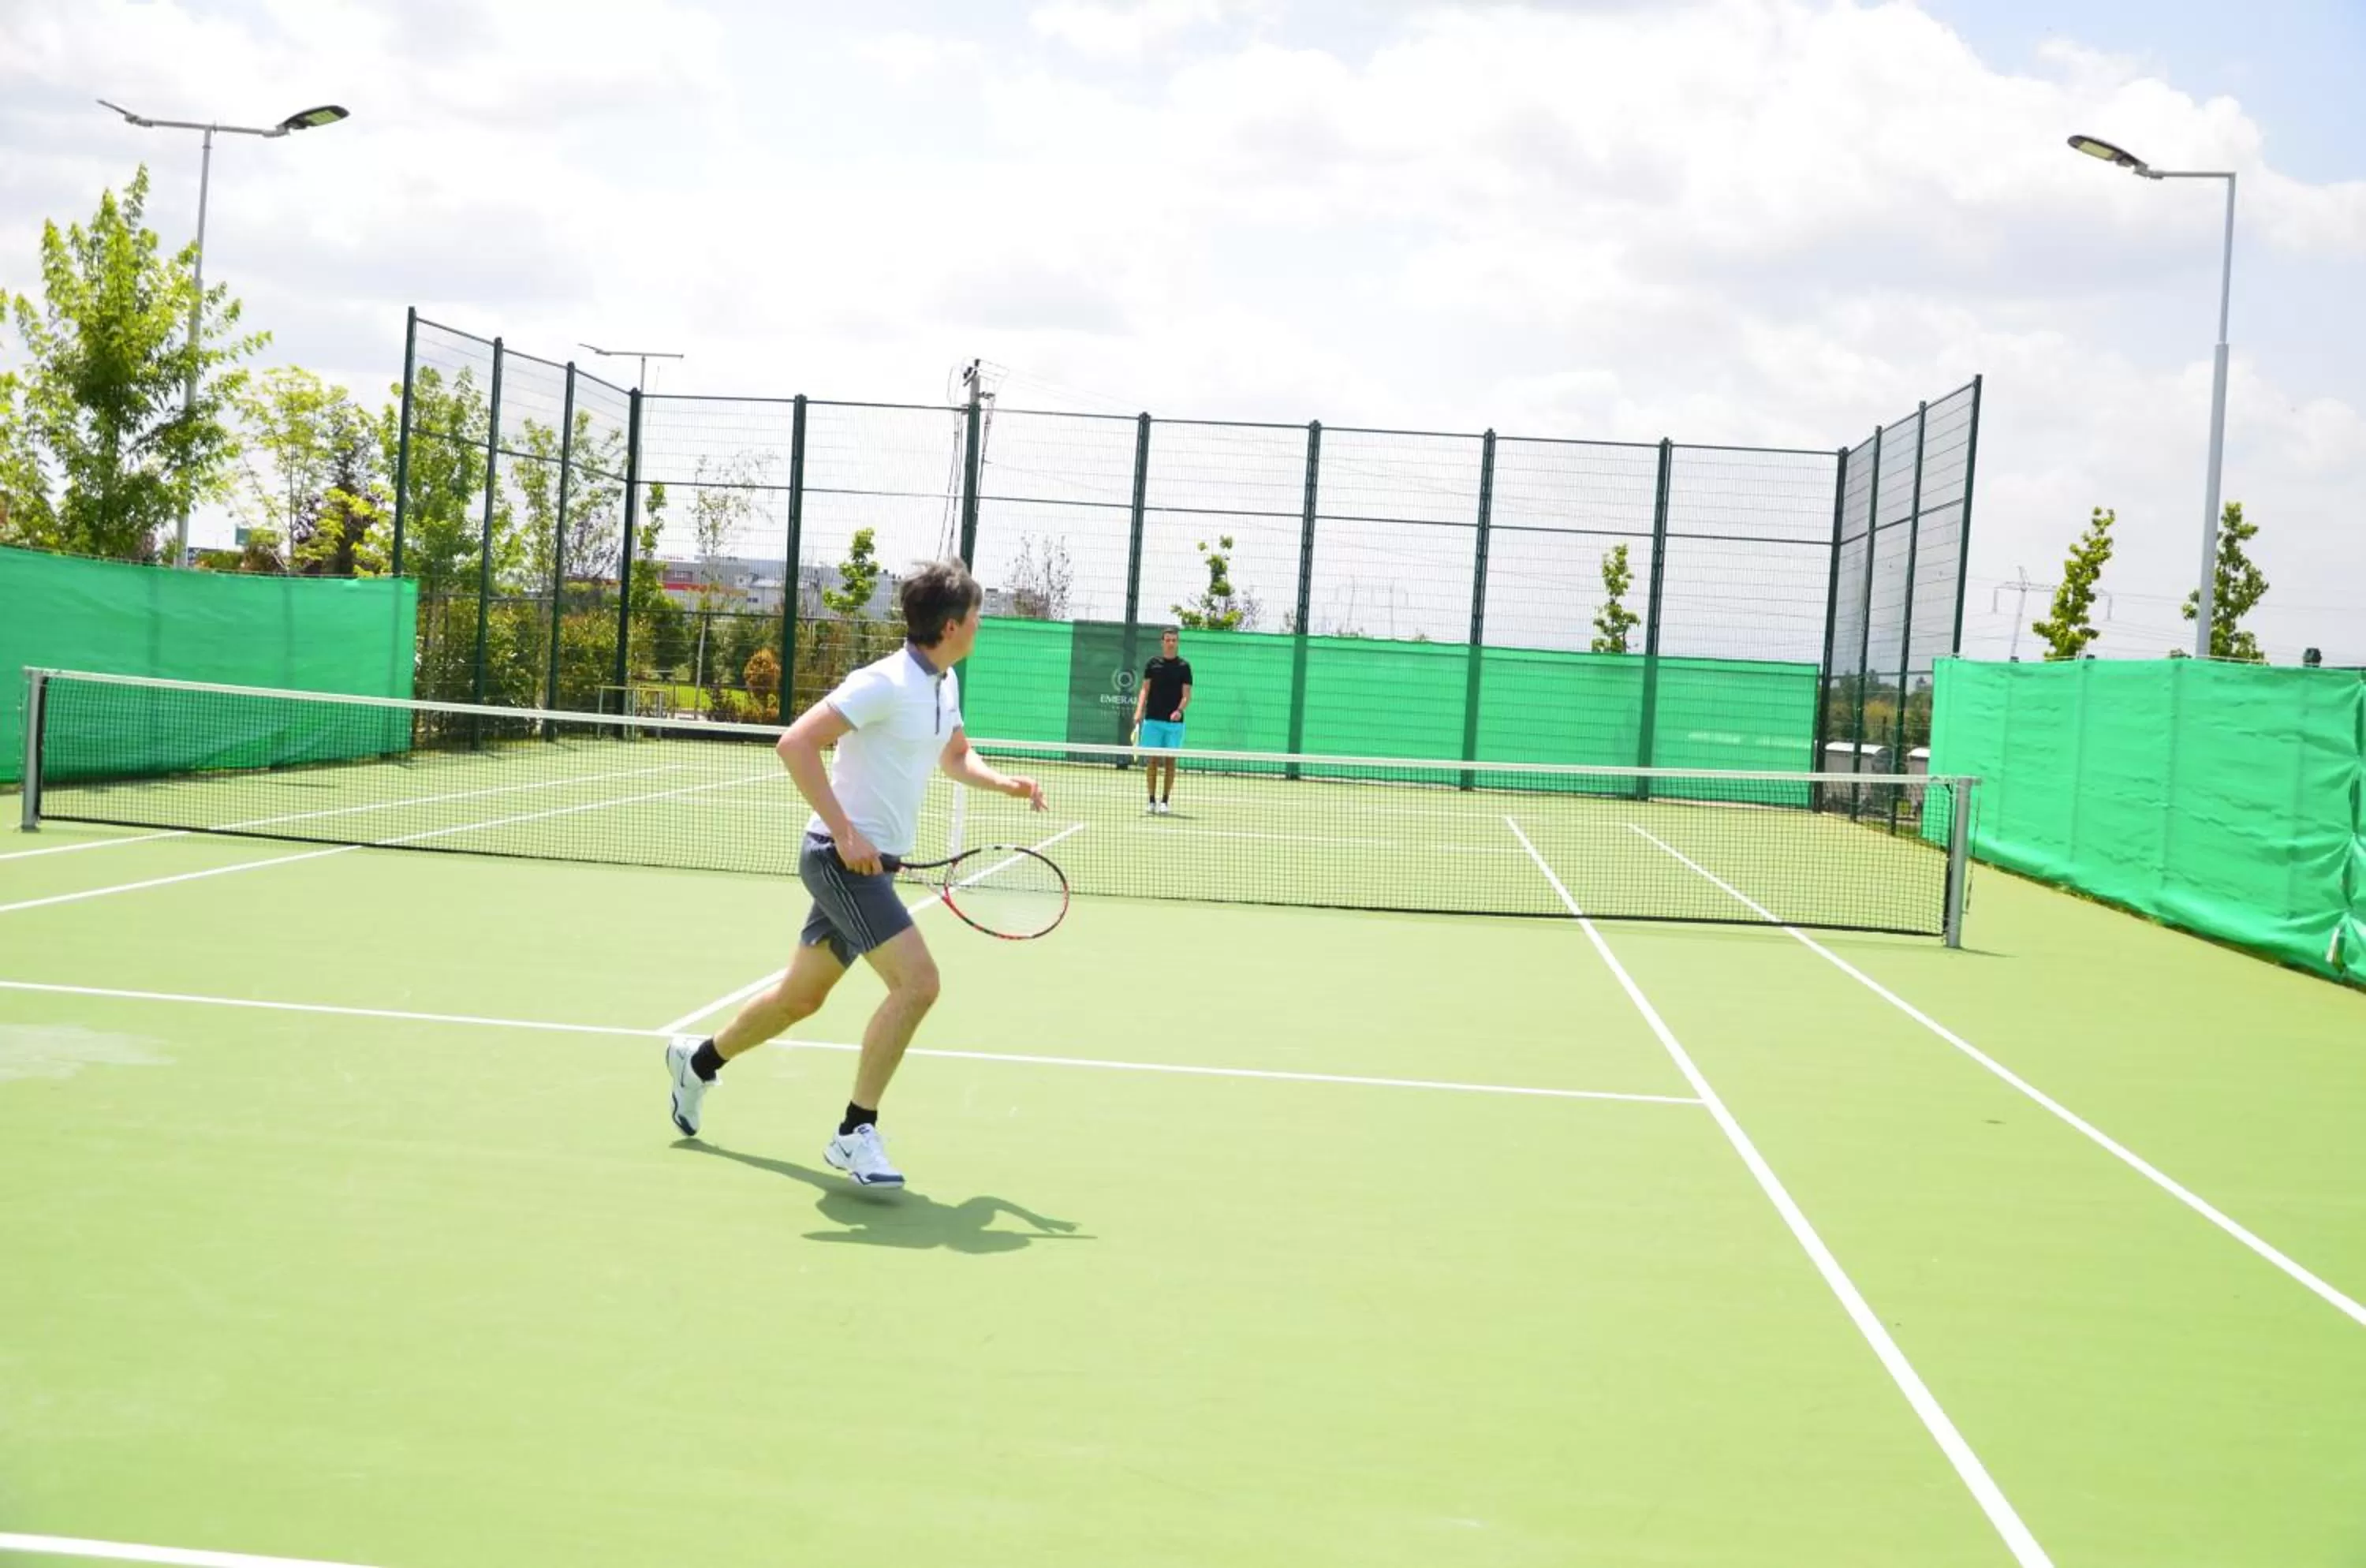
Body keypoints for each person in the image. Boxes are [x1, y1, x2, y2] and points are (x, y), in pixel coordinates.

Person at [664, 559, 1046, 1186]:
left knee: (799, 999)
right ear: (952, 625)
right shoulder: (883, 683)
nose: (982, 624)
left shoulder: (942, 684)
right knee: (918, 984)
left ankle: (697, 1062)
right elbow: (795, 743)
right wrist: (845, 830)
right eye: (978, 615)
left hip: (878, 865)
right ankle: (854, 1132)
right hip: (837, 859)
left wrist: (1002, 781)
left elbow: (955, 754)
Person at [1131, 625, 1192, 814]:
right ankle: (1151, 800)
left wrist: (1179, 711)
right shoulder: (1152, 664)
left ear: (1177, 642)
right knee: (1152, 761)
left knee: (1171, 762)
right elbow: (1145, 690)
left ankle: (1165, 801)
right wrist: (1139, 711)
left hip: (1174, 725)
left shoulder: (1184, 667)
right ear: (1162, 642)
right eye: (1168, 640)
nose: (1171, 643)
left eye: (1174, 640)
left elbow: (1187, 695)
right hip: (1153, 721)